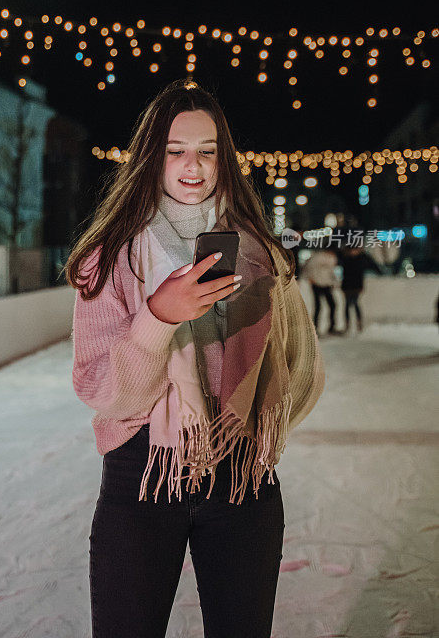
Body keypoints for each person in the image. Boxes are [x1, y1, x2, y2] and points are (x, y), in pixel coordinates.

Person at [65, 78, 325, 638]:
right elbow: (105, 392)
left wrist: (246, 424)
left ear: (224, 160)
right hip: (144, 475)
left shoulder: (262, 256)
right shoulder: (108, 256)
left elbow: (302, 368)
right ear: (149, 159)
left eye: (208, 152)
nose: (194, 166)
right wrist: (158, 317)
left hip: (242, 480)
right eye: (175, 151)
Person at [338, 244, 382, 332]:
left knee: (354, 303)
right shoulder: (346, 258)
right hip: (347, 285)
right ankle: (349, 323)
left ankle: (357, 323)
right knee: (348, 304)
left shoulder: (361, 258)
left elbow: (372, 265)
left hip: (356, 285)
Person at [301, 247, 342, 335]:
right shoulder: (318, 257)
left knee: (332, 305)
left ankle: (332, 326)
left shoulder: (332, 258)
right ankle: (315, 327)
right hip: (317, 283)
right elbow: (309, 267)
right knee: (318, 306)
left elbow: (332, 271)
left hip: (327, 283)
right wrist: (310, 278)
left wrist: (334, 282)